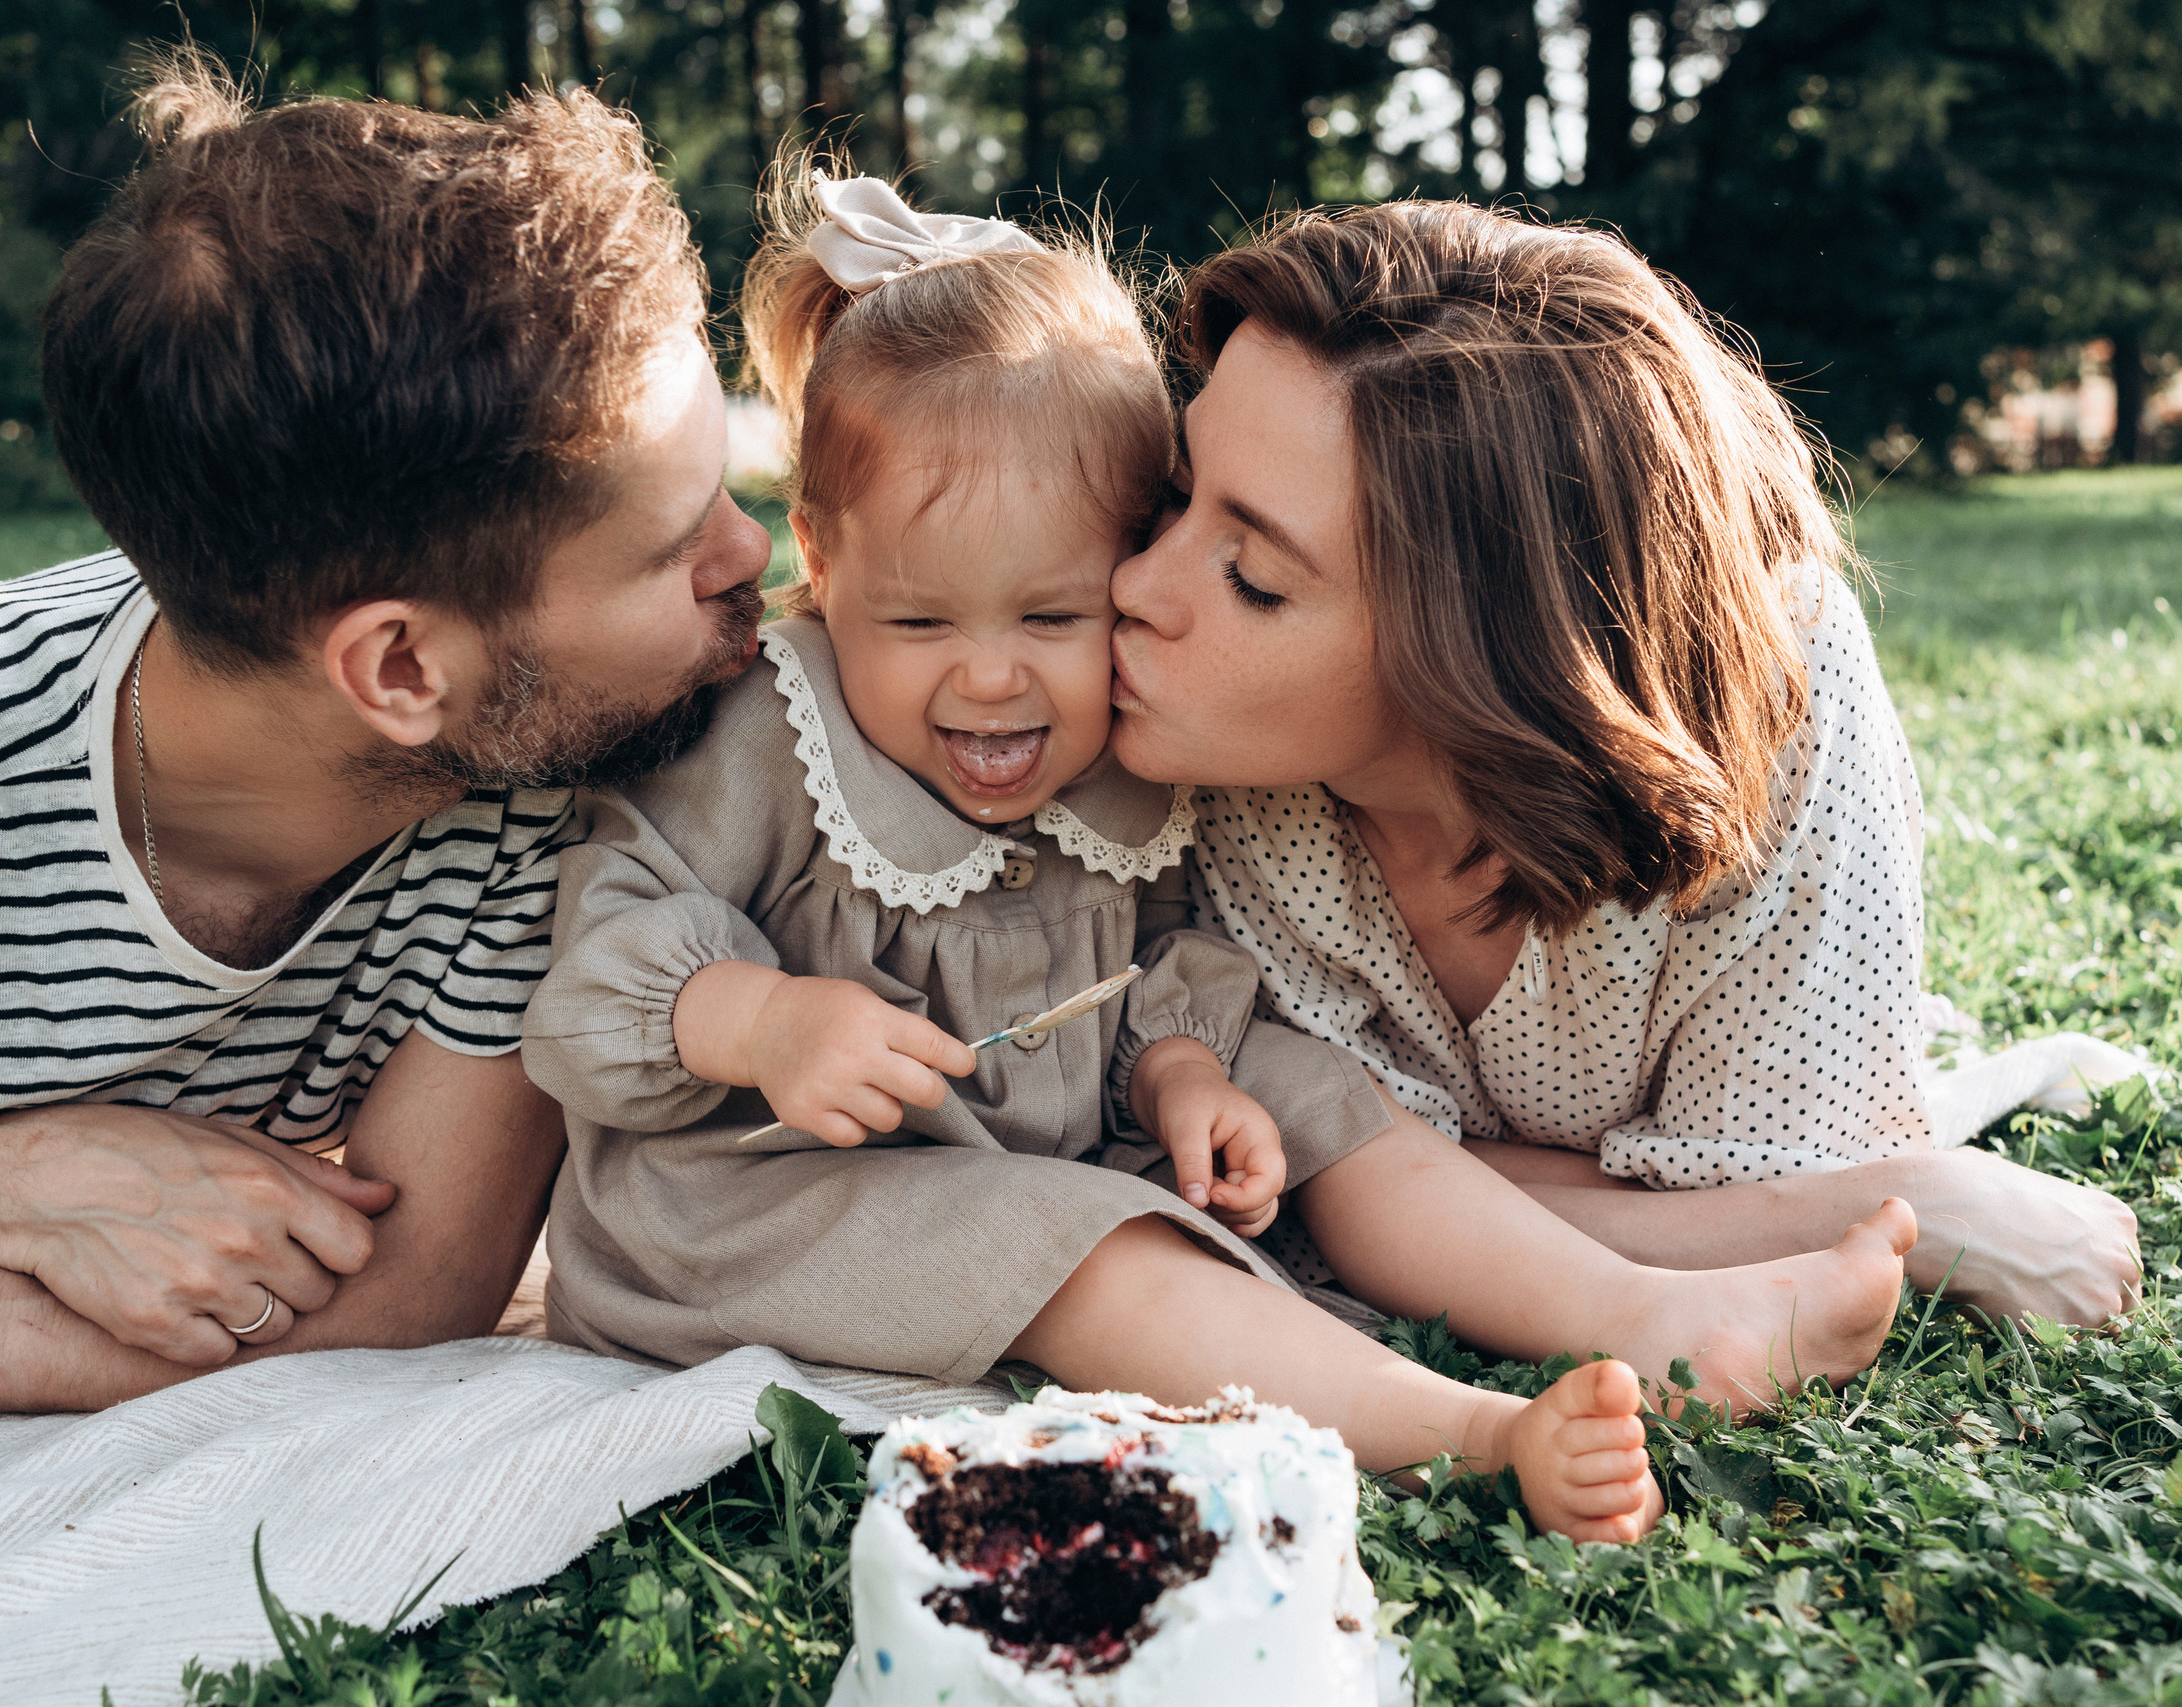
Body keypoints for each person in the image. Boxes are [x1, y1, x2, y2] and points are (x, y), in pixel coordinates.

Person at [523, 169, 1916, 1544]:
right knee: (1090, 1239)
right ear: (825, 562)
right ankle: (1472, 1432)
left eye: (1065, 602)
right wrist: (760, 1015)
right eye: (1166, 510)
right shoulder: (784, 729)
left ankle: (1648, 1317)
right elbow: (591, 967)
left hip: (1049, 1146)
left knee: (1311, 1093)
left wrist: (1186, 1069)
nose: (1112, 608)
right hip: (762, 1198)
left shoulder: (1122, 755)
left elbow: (1148, 968)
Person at [0, 68, 770, 1477]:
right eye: (670, 549)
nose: (752, 554)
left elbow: (414, 1290)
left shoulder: (556, 765)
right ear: (401, 669)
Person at [1106, 201, 2142, 1334]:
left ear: (1488, 655)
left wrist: (1424, 1183)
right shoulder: (1204, 754)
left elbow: (1770, 1176)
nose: (1133, 588)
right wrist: (1923, 1210)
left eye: (1251, 576)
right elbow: (1310, 1190)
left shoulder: (1776, 696)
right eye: (1172, 495)